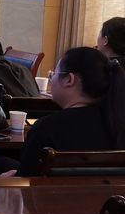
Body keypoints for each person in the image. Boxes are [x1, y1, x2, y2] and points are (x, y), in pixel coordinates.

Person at [16, 47, 125, 176]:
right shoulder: (118, 121)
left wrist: (13, 178)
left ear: (69, 79)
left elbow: (26, 180)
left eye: (53, 74)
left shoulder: (47, 128)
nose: (52, 79)